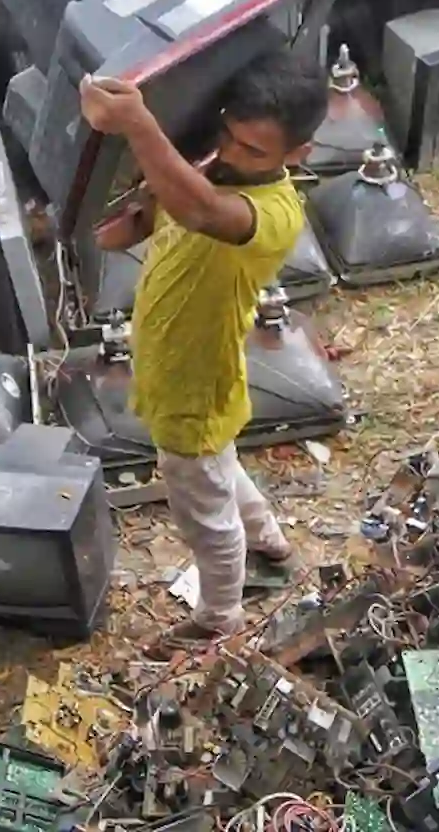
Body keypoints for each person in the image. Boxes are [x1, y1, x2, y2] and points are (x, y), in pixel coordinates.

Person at [79, 47, 330, 651]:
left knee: (203, 511)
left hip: (192, 384)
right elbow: (158, 213)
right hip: (176, 369)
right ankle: (271, 541)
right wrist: (131, 217)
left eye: (255, 150)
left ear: (299, 156)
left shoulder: (271, 211)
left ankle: (219, 615)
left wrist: (139, 125)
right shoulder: (213, 169)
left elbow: (200, 210)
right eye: (230, 136)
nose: (234, 154)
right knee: (221, 470)